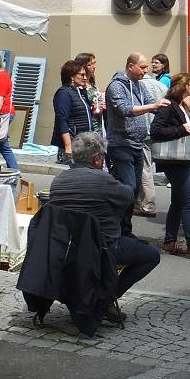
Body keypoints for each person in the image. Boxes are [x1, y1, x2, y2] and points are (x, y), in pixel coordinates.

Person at [47, 132, 160, 322]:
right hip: (102, 247)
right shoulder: (104, 181)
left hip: (66, 246)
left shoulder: (59, 180)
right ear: (98, 159)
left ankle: (98, 298)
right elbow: (128, 195)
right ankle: (105, 297)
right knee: (151, 256)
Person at [105, 53, 167, 236]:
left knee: (133, 190)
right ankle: (115, 229)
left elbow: (151, 103)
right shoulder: (116, 86)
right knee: (128, 188)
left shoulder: (139, 85)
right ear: (130, 66)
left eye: (147, 67)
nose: (146, 70)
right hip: (120, 145)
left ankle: (126, 229)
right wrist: (154, 106)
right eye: (142, 67)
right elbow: (125, 109)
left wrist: (173, 113)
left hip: (137, 145)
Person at [149, 73, 190, 257]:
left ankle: (170, 241)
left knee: (178, 201)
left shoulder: (180, 104)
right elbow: (156, 131)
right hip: (174, 160)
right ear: (183, 86)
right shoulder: (168, 105)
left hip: (182, 159)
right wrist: (180, 130)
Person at [136, 70, 168, 218]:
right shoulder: (161, 85)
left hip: (144, 129)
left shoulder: (138, 86)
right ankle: (144, 201)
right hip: (158, 129)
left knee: (145, 168)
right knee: (151, 165)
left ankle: (148, 204)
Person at [52, 61, 94, 164]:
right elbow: (61, 119)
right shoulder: (64, 93)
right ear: (71, 77)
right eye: (82, 75)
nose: (85, 78)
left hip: (83, 143)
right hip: (73, 143)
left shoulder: (79, 92)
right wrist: (68, 145)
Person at [74, 53, 105, 132]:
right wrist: (92, 108)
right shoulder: (78, 87)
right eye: (89, 65)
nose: (94, 67)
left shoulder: (92, 85)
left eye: (94, 63)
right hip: (86, 129)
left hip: (98, 127)